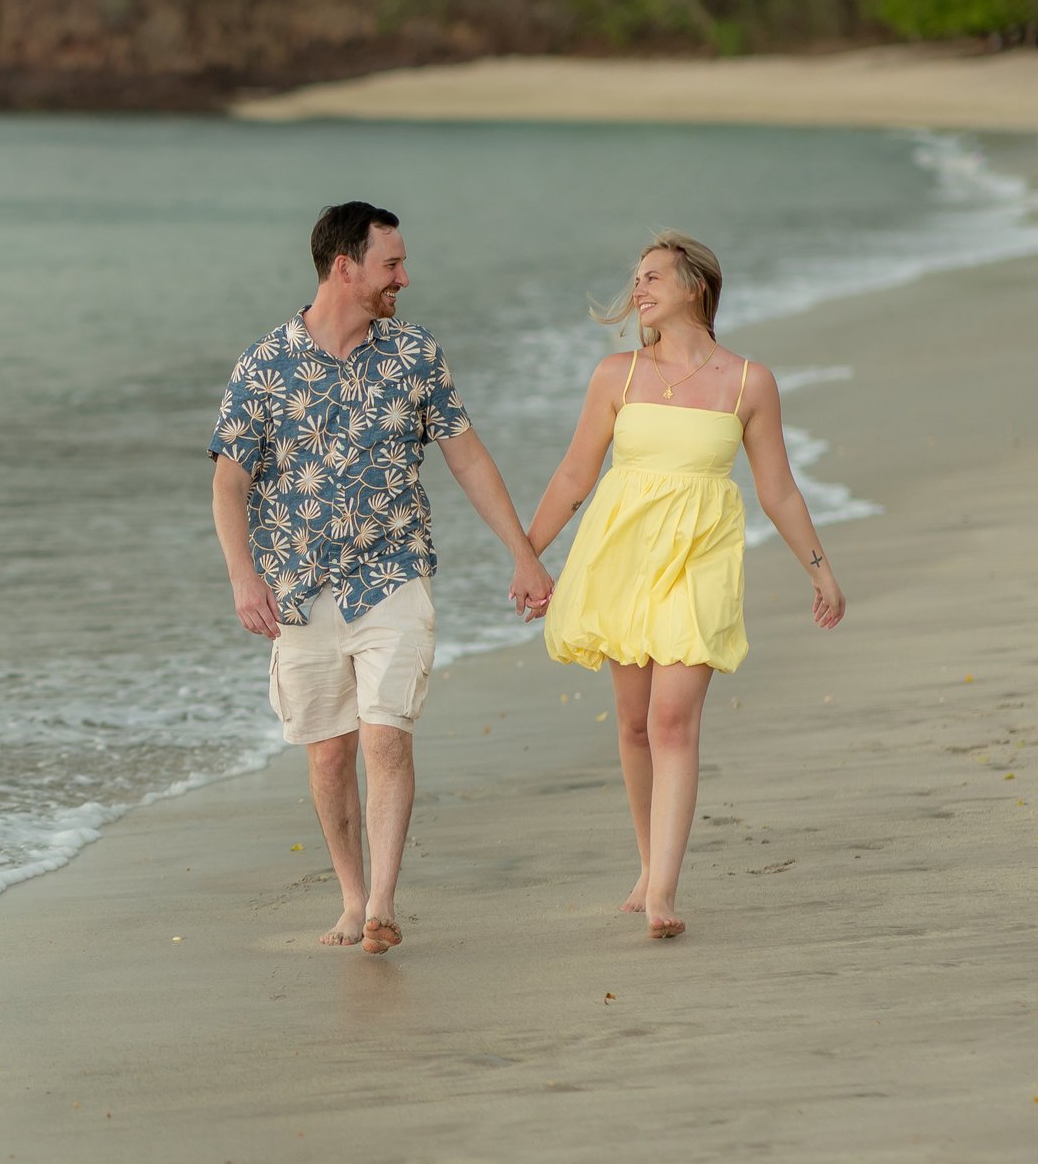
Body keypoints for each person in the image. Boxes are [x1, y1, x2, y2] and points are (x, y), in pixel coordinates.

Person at [212, 202, 553, 955]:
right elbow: (229, 482)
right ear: (346, 266)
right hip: (298, 589)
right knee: (328, 751)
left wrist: (523, 552)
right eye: (392, 264)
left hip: (393, 574)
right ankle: (351, 893)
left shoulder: (415, 355)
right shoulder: (264, 364)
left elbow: (466, 454)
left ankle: (383, 906)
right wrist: (243, 576)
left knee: (384, 736)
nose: (406, 276)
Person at [528, 231, 846, 940]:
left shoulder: (748, 382)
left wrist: (821, 573)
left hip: (701, 558)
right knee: (635, 722)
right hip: (621, 556)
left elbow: (780, 491)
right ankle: (648, 862)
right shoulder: (617, 373)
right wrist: (528, 553)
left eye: (652, 278)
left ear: (695, 285)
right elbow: (576, 476)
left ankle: (664, 890)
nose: (638, 290)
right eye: (636, 279)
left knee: (674, 720)